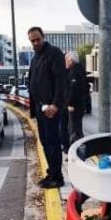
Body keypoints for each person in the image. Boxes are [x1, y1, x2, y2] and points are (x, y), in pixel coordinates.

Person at [27, 27, 67, 189]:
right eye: (32, 40)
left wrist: (56, 105)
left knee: (53, 142)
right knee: (45, 142)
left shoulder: (54, 53)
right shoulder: (35, 58)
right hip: (39, 108)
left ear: (43, 37)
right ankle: (52, 173)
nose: (35, 43)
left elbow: (61, 81)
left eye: (37, 39)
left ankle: (57, 177)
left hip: (51, 108)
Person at [64, 51, 87, 150]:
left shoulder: (74, 72)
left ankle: (76, 154)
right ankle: (78, 153)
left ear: (71, 61)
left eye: (66, 60)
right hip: (79, 105)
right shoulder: (79, 69)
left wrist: (69, 103)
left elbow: (73, 89)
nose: (65, 62)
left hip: (75, 106)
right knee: (76, 130)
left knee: (74, 131)